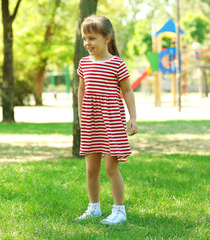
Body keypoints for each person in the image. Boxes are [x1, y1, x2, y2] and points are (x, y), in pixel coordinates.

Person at [75, 15, 138, 225]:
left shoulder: (117, 63)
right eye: (85, 38)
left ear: (107, 38)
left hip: (111, 121)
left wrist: (133, 118)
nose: (87, 43)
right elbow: (81, 91)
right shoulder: (84, 63)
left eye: (92, 38)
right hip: (91, 121)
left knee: (111, 168)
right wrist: (81, 117)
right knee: (91, 169)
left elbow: (128, 92)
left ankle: (119, 211)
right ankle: (94, 208)